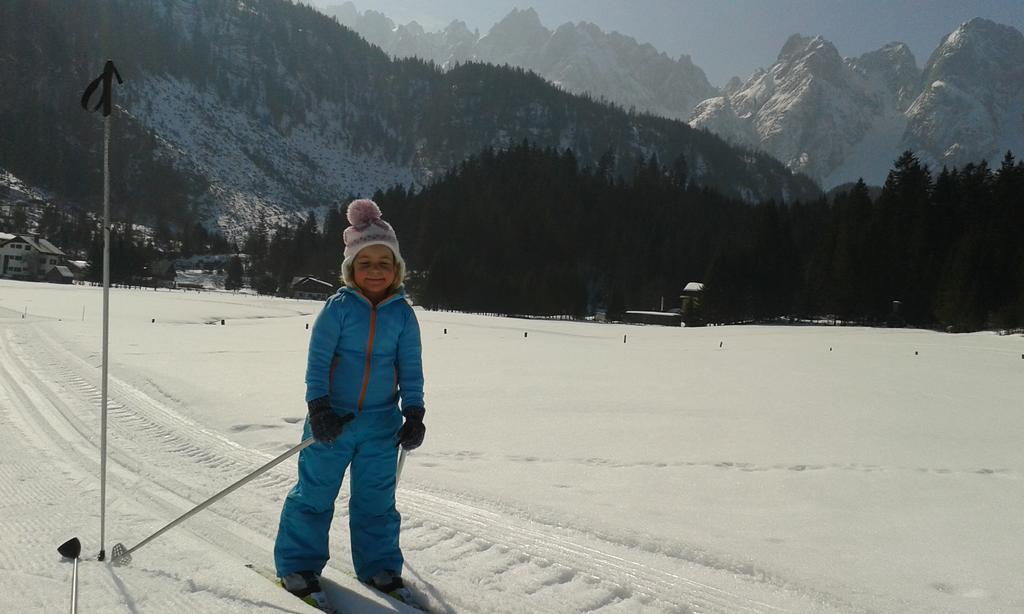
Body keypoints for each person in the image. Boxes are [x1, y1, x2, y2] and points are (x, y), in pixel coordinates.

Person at [274, 198, 426, 605]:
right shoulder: (338, 309)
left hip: (381, 425)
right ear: (350, 269)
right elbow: (318, 363)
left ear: (396, 270)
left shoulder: (403, 315)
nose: (375, 271)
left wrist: (414, 412)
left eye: (384, 262)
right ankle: (298, 566)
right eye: (365, 262)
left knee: (377, 502)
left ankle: (380, 567)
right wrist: (318, 408)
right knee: (315, 495)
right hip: (332, 421)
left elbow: (410, 368)